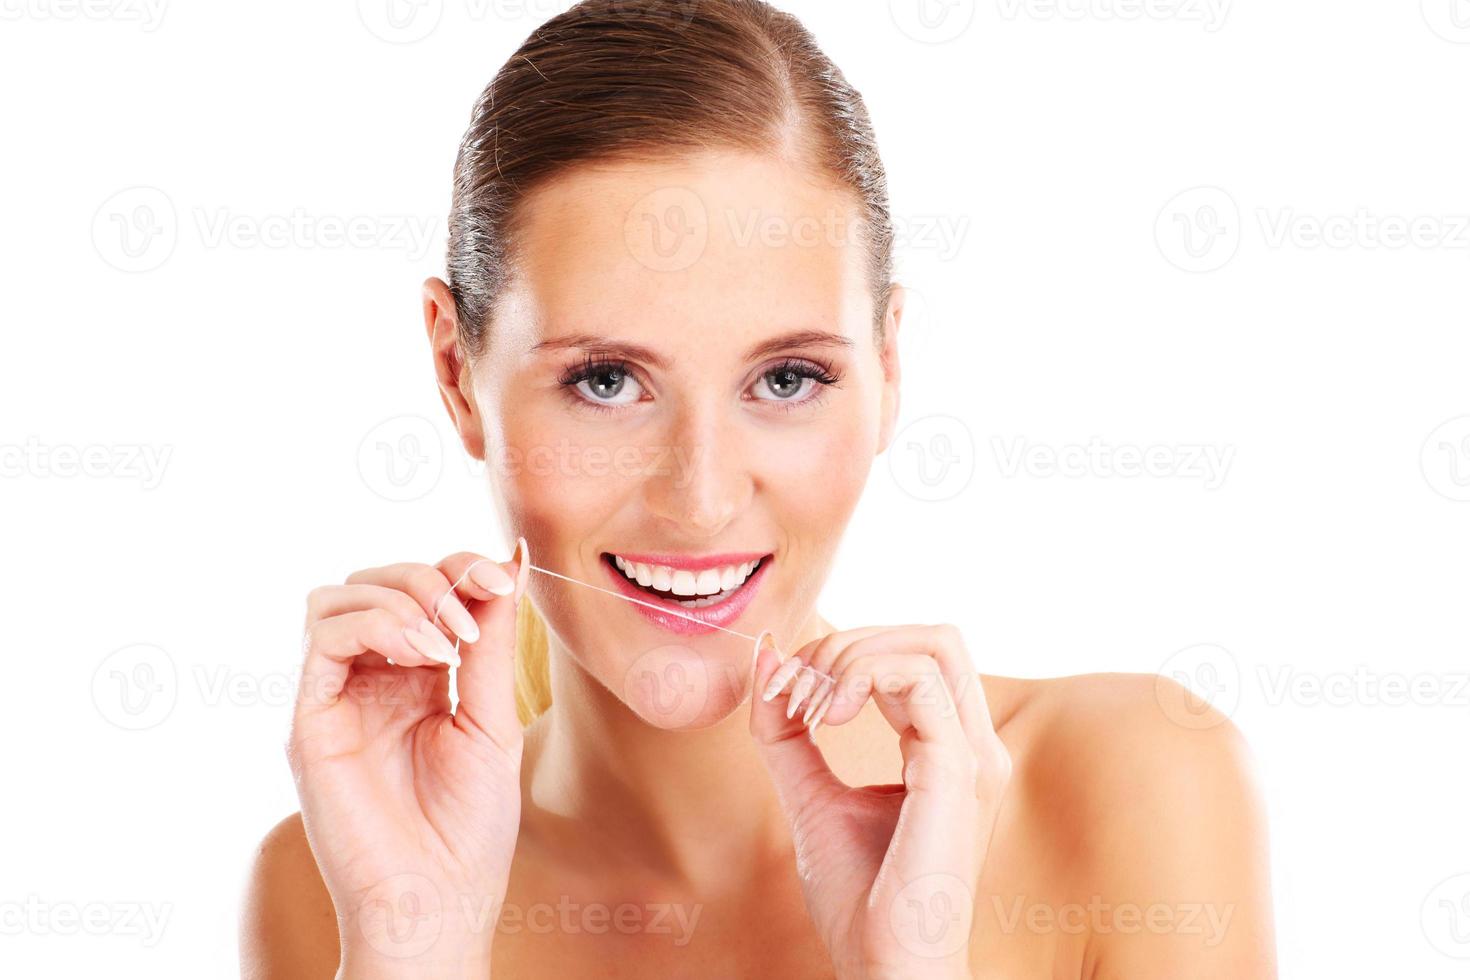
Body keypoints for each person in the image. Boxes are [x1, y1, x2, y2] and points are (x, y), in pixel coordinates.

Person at [241, 2, 1275, 976]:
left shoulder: (1131, 789)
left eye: (786, 379)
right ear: (456, 373)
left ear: (889, 371)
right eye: (606, 381)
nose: (698, 499)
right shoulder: (338, 874)